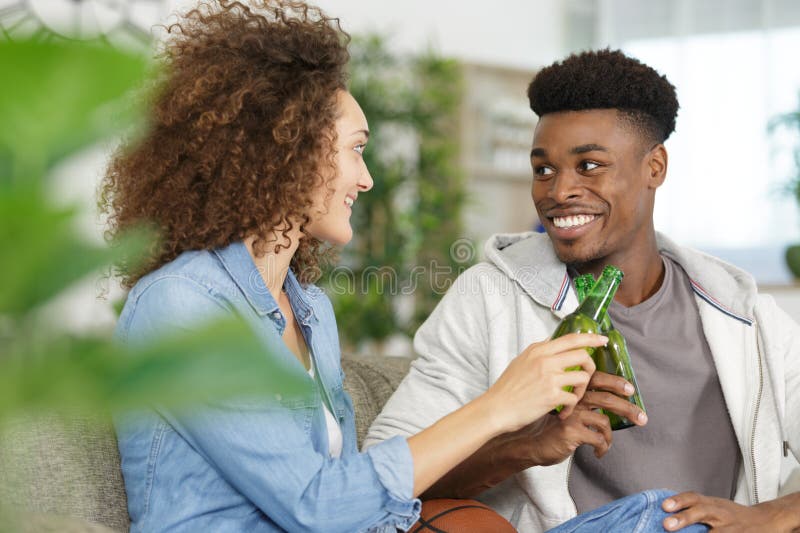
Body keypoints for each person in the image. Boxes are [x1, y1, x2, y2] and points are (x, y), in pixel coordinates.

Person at [102, 2, 616, 531]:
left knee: (660, 516)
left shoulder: (311, 312)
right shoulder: (182, 306)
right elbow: (318, 505)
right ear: (288, 151)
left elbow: (352, 499)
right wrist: (497, 407)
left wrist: (525, 443)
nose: (366, 179)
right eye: (356, 150)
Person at [366, 49, 800, 532]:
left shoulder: (742, 315)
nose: (558, 191)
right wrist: (525, 445)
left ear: (654, 167)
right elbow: (380, 479)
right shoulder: (489, 299)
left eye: (589, 165)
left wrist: (770, 515)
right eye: (543, 169)